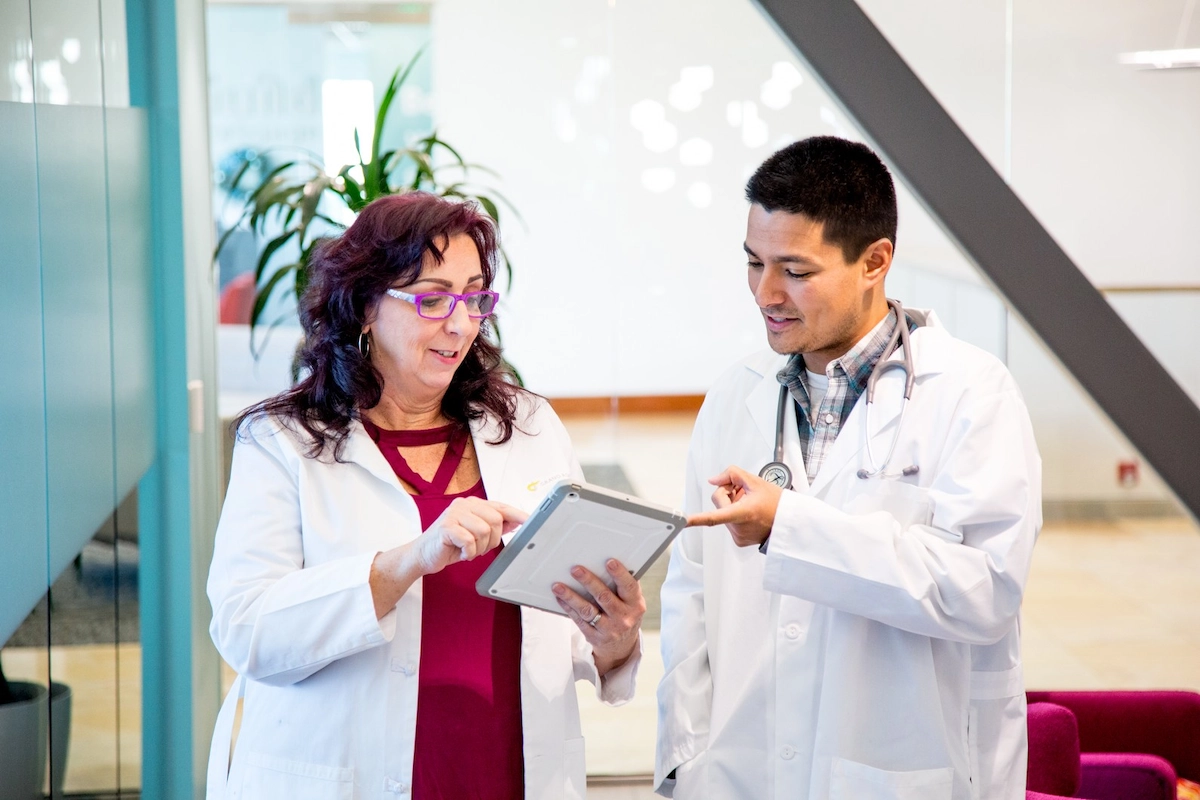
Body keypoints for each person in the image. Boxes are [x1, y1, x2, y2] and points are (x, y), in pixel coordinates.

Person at [206, 192, 646, 799]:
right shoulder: (283, 442)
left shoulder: (530, 428)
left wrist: (613, 637)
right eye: (433, 299)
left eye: (474, 297)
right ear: (363, 306)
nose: (461, 323)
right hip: (347, 776)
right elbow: (246, 628)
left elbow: (566, 625)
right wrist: (407, 562)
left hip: (505, 771)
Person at [655, 136, 1041, 800]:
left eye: (795, 271)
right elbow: (691, 598)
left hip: (899, 771)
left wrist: (791, 527)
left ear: (875, 261)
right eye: (753, 262)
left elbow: (982, 592)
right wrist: (685, 761)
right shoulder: (735, 394)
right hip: (738, 774)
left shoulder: (972, 392)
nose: (766, 293)